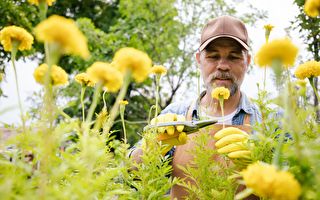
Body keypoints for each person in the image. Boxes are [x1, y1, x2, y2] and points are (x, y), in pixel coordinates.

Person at [130, 15, 262, 199]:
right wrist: (150, 149)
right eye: (213, 56)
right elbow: (131, 174)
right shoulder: (175, 114)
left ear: (247, 61)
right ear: (199, 59)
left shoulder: (269, 120)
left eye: (233, 57)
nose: (223, 66)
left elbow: (299, 183)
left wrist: (260, 162)